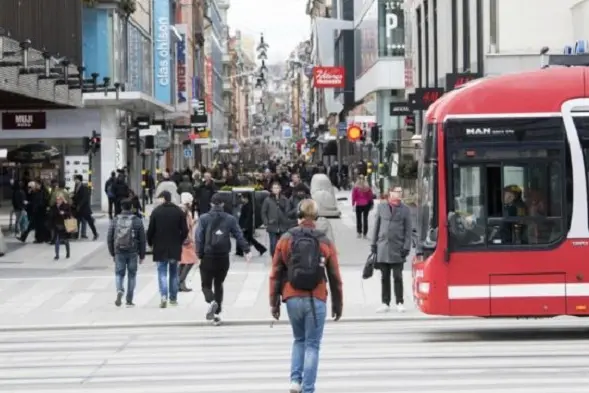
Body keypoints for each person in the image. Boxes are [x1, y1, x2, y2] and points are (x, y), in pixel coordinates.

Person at [269, 199, 343, 393]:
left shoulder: (286, 239)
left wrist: (274, 303)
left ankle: (295, 381)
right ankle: (308, 388)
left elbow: (275, 272)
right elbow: (335, 276)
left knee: (298, 340)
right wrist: (337, 304)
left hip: (292, 297)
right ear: (316, 217)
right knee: (312, 345)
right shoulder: (324, 241)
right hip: (316, 298)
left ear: (298, 215)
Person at [196, 193, 252, 325]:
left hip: (208, 256)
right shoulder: (230, 219)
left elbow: (199, 237)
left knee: (206, 285)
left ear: (211, 203)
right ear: (222, 204)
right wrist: (246, 250)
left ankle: (212, 302)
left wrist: (199, 254)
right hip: (223, 256)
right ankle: (217, 314)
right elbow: (238, 234)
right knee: (219, 284)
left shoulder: (204, 218)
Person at [371, 186, 413, 313]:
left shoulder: (405, 210)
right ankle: (385, 302)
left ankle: (399, 301)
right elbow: (376, 226)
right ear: (390, 193)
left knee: (397, 276)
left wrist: (406, 247)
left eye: (401, 191)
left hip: (398, 247)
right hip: (383, 246)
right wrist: (374, 244)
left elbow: (408, 230)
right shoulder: (382, 207)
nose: (399, 194)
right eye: (397, 192)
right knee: (384, 276)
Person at [147, 190, 189, 308]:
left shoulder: (156, 212)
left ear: (164, 198)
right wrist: (180, 240)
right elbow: (185, 230)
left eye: (160, 198)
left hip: (160, 247)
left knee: (162, 272)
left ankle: (163, 296)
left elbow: (150, 230)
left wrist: (150, 243)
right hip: (174, 247)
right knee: (174, 273)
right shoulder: (178, 212)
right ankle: (173, 298)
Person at [107, 198, 146, 307]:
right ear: (131, 207)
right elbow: (142, 239)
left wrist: (112, 252)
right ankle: (129, 300)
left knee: (119, 273)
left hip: (119, 251)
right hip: (133, 251)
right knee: (132, 275)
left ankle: (120, 290)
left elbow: (109, 237)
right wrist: (142, 255)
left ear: (121, 207)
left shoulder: (115, 220)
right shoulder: (137, 220)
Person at [261, 182, 290, 256]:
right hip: (272, 225)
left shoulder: (285, 199)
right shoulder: (267, 200)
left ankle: (281, 259)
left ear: (280, 189)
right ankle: (274, 258)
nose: (276, 190)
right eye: (274, 188)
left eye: (277, 188)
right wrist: (266, 222)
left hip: (283, 225)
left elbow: (288, 211)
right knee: (273, 244)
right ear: (271, 189)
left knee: (283, 244)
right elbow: (263, 212)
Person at [179, 192, 199, 292]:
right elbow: (186, 226)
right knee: (191, 260)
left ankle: (180, 284)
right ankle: (179, 281)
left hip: (182, 239)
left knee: (183, 262)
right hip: (187, 240)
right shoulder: (185, 211)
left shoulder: (180, 210)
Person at [72, 174, 98, 240]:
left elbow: (85, 198)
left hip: (84, 208)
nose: (75, 180)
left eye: (76, 179)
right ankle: (76, 235)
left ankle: (95, 233)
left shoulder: (84, 187)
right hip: (78, 208)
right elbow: (76, 196)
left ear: (79, 180)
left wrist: (80, 205)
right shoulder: (76, 186)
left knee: (90, 222)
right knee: (77, 221)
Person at [49, 193, 72, 260]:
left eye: (59, 199)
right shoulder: (54, 206)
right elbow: (51, 215)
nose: (57, 200)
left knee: (65, 240)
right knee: (57, 241)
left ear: (62, 199)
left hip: (64, 225)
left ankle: (68, 253)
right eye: (57, 199)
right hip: (56, 225)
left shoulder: (66, 205)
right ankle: (57, 255)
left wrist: (64, 213)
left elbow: (69, 214)